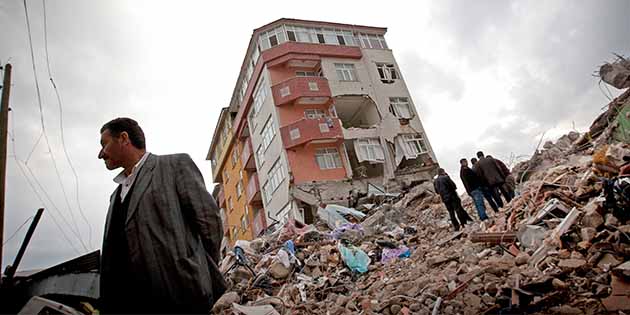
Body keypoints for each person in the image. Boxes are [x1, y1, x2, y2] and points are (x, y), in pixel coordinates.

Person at [98, 118, 227, 314]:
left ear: (124, 138)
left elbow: (209, 222)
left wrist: (196, 267)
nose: (101, 154)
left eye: (104, 144)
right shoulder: (115, 197)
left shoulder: (173, 166)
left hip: (182, 297)